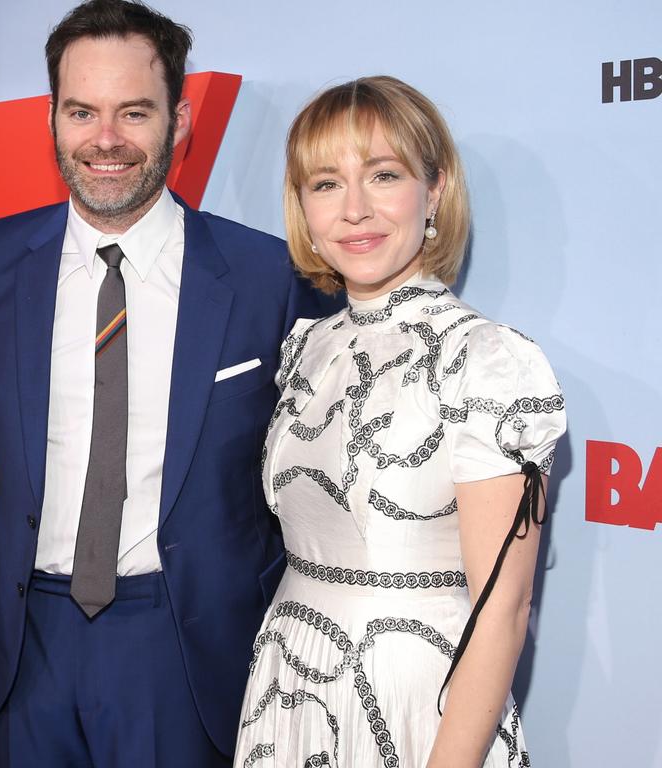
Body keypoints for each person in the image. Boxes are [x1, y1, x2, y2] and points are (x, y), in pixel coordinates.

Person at [0, 1, 325, 764]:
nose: (107, 140)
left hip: (185, 645)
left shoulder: (267, 275)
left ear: (179, 120)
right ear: (51, 117)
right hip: (30, 642)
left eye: (134, 112)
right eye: (82, 111)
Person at [234, 76, 567, 767]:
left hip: (417, 700)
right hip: (290, 687)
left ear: (435, 189)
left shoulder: (487, 361)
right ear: (302, 206)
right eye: (326, 184)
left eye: (383, 175)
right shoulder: (307, 346)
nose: (354, 209)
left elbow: (500, 613)